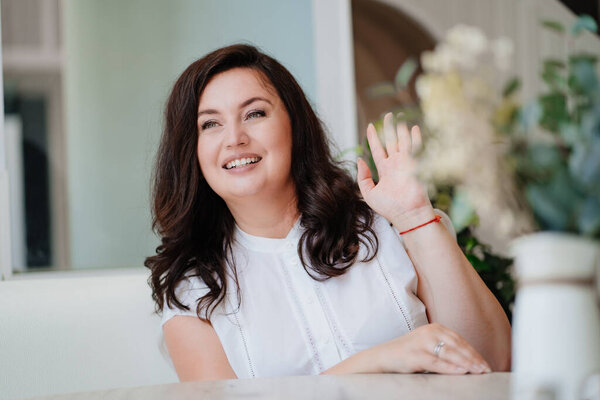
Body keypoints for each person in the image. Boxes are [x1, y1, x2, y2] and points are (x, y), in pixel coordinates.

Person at [145, 44, 511, 381]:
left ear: (294, 125)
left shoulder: (384, 224)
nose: (234, 137)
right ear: (192, 150)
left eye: (254, 113)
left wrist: (416, 218)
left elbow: (492, 362)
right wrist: (379, 360)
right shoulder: (192, 293)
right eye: (210, 123)